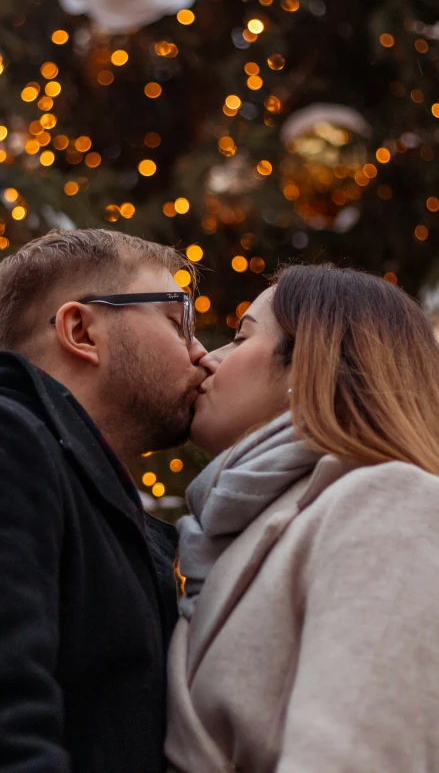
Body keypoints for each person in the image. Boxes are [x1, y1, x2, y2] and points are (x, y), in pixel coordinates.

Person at [166, 263, 439, 773]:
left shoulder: (390, 502)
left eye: (239, 336)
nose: (207, 359)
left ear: (311, 361)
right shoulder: (230, 532)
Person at [0, 228, 207, 773]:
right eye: (179, 323)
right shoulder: (2, 436)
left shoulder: (102, 502)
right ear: (81, 330)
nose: (201, 353)